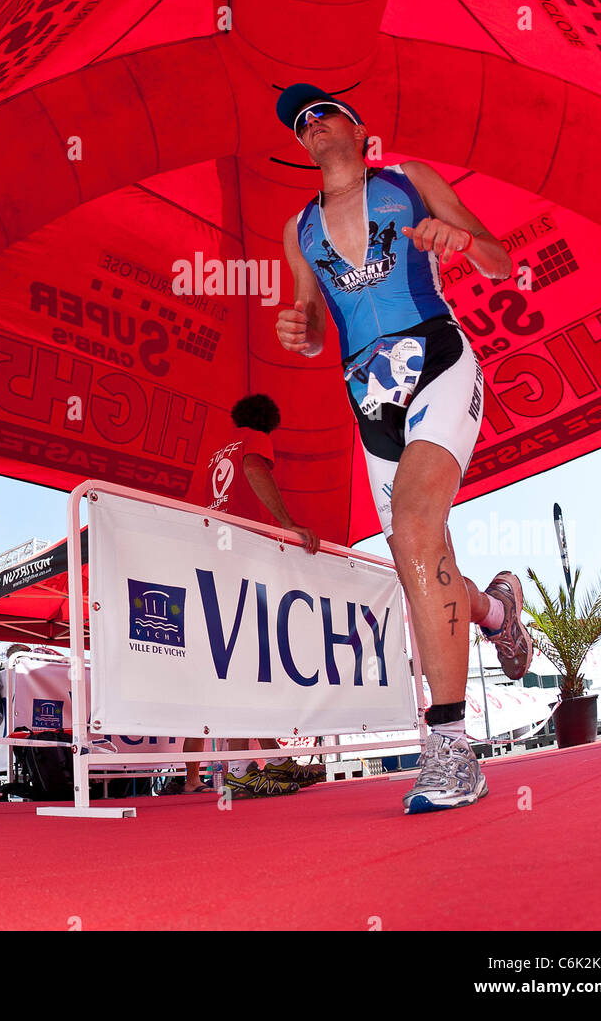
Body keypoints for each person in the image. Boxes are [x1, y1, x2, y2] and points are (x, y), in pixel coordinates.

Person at [274, 84, 533, 814]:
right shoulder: (298, 231)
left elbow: (499, 261)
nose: (311, 125)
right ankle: (496, 613)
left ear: (358, 128)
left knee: (414, 531)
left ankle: (451, 749)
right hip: (368, 400)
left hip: (438, 361)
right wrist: (302, 330)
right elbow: (314, 318)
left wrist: (462, 240)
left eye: (321, 111)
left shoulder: (409, 181)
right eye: (299, 124)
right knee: (427, 561)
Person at [177, 394, 324, 798]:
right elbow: (254, 468)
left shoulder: (208, 458)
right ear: (266, 423)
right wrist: (288, 523)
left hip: (211, 566)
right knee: (249, 664)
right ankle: (243, 767)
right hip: (239, 560)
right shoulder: (253, 441)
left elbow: (192, 513)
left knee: (240, 666)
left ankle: (267, 760)